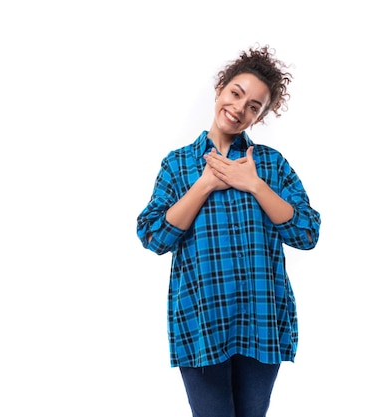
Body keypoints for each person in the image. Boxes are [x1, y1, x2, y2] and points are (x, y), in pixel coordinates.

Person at [136, 44, 321, 417]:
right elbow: (153, 236)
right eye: (236, 93)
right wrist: (204, 184)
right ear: (221, 89)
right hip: (200, 320)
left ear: (260, 116)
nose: (239, 108)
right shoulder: (178, 165)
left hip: (262, 320)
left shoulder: (269, 164)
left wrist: (255, 185)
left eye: (254, 106)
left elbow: (307, 232)